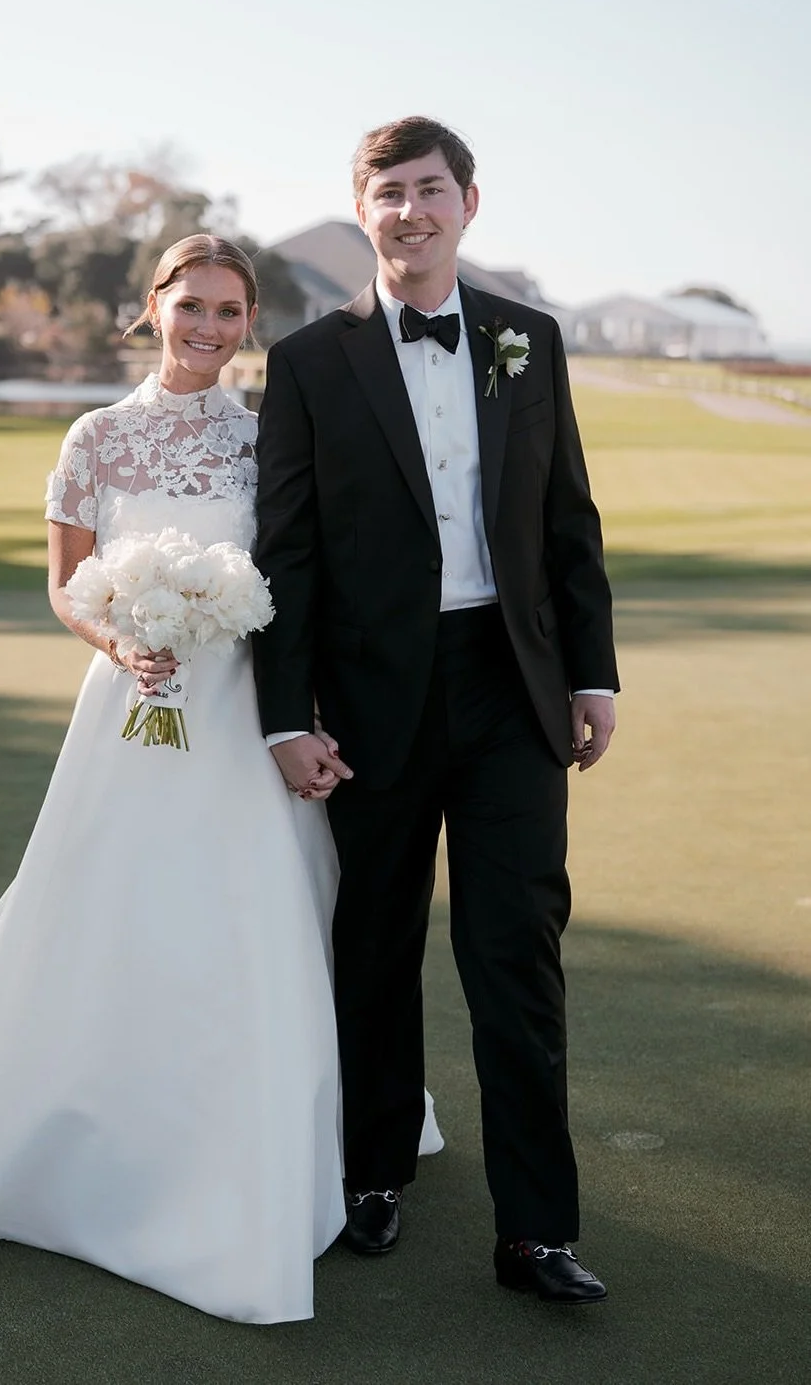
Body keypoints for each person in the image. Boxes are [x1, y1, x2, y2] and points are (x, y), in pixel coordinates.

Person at [0, 234, 441, 1325]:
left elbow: (311, 587)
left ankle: (268, 1127)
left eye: (230, 311)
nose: (208, 327)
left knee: (258, 911)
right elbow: (64, 587)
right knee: (104, 903)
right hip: (132, 707)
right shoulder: (96, 437)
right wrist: (120, 640)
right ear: (151, 308)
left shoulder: (269, 436)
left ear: (250, 325)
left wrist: (306, 707)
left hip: (247, 715)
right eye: (190, 305)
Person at [253, 117, 618, 1305]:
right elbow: (288, 554)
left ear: (469, 201)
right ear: (362, 210)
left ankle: (535, 1231)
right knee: (374, 946)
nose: (408, 211)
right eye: (386, 193)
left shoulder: (530, 340)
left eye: (427, 190)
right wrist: (284, 716)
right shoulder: (309, 363)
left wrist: (591, 675)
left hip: (512, 694)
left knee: (516, 952)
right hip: (370, 704)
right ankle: (372, 1176)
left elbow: (567, 519)